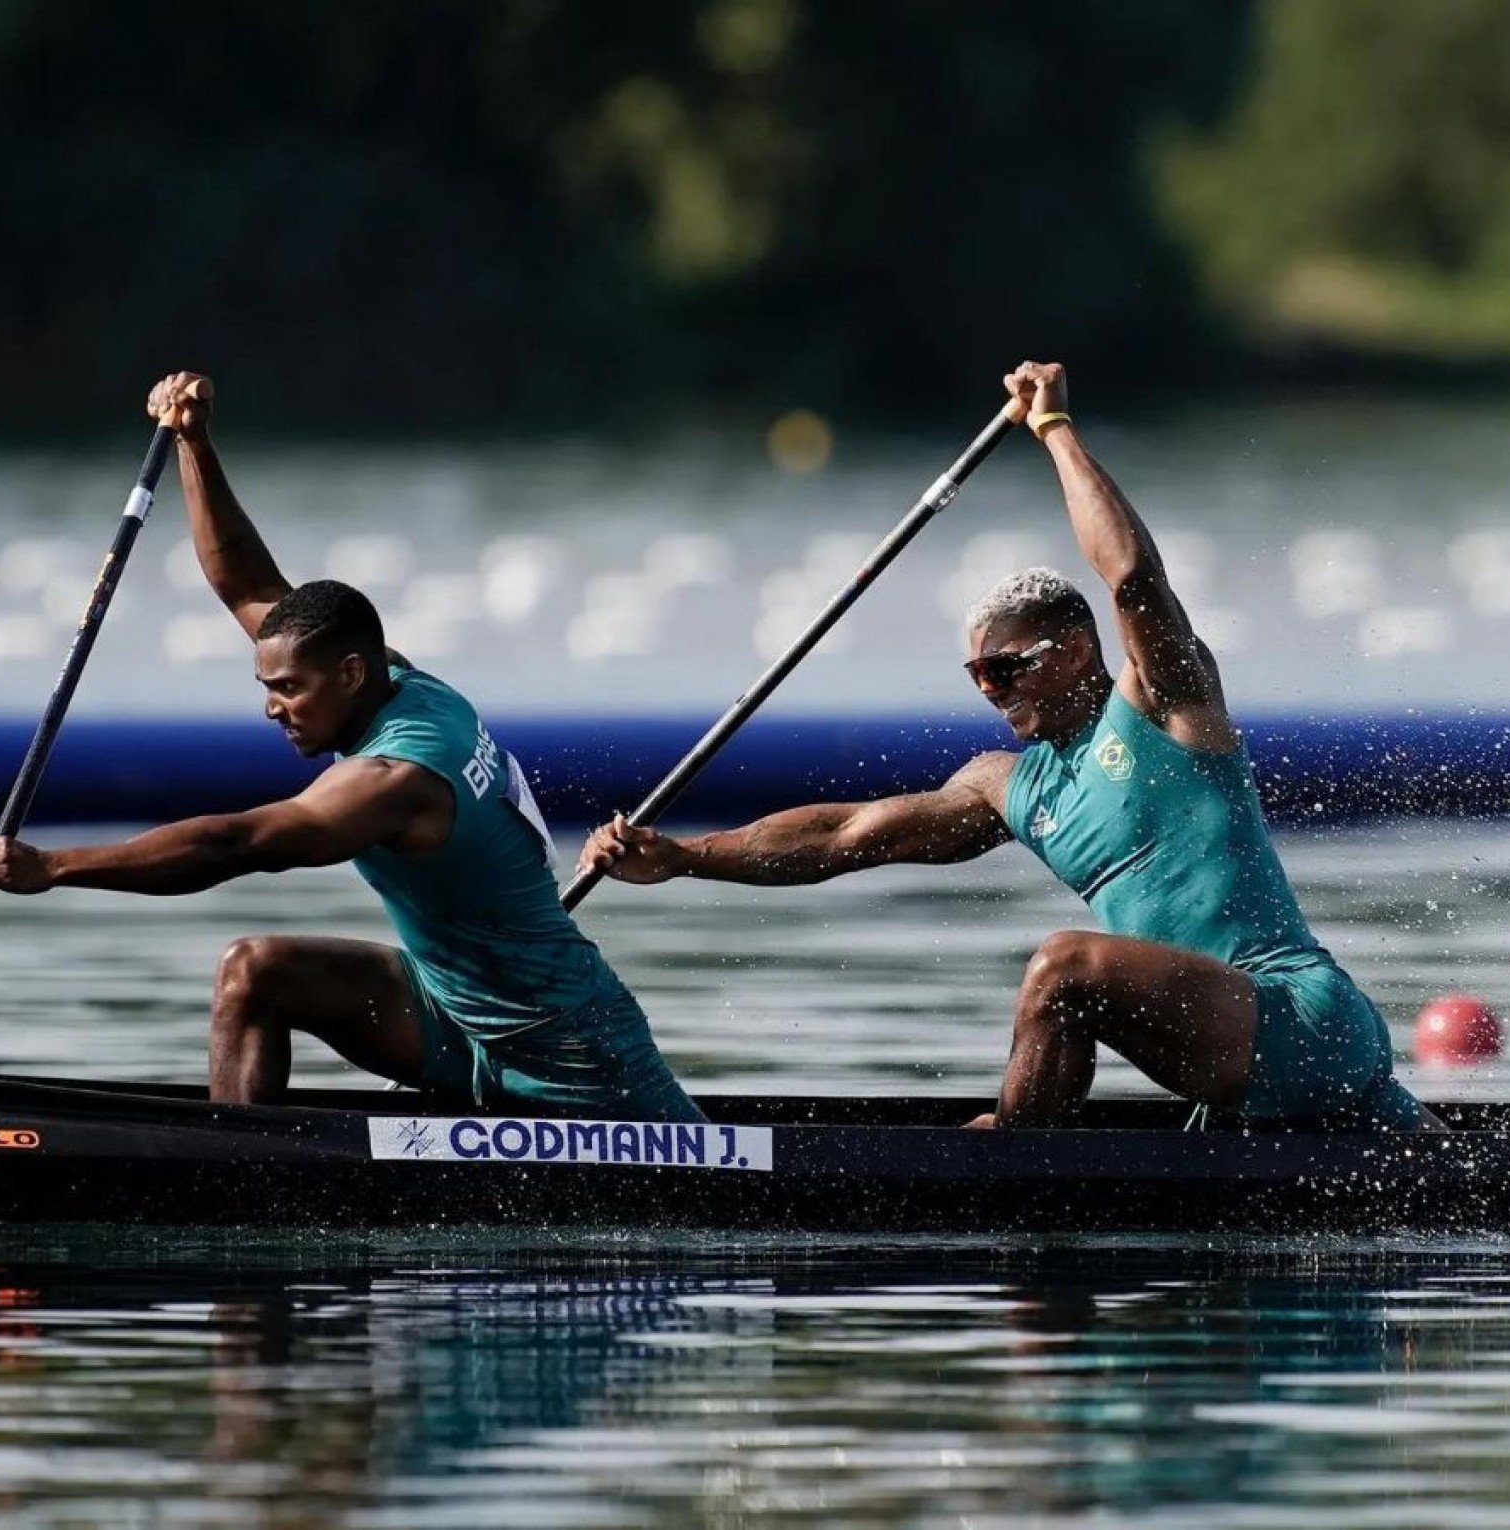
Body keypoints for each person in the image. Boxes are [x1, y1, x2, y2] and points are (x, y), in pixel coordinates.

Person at [579, 360, 1436, 1132]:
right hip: (1228, 1062)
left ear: (1067, 652)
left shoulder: (1166, 706)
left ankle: (1013, 1169)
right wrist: (687, 858)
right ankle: (1027, 1159)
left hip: (1302, 1020)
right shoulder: (1009, 786)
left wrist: (1055, 430)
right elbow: (842, 838)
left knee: (1064, 965)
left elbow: (1133, 577)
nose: (991, 694)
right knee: (1067, 983)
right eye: (976, 677)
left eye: (1002, 671)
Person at [0, 371, 701, 1124]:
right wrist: (195, 444)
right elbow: (247, 584)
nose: (271, 708)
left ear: (350, 674)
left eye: (287, 690)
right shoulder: (393, 679)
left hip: (572, 1050)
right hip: (451, 1015)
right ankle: (241, 1179)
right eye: (269, 685)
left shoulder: (397, 778)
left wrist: (55, 866)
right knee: (254, 972)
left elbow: (240, 843)